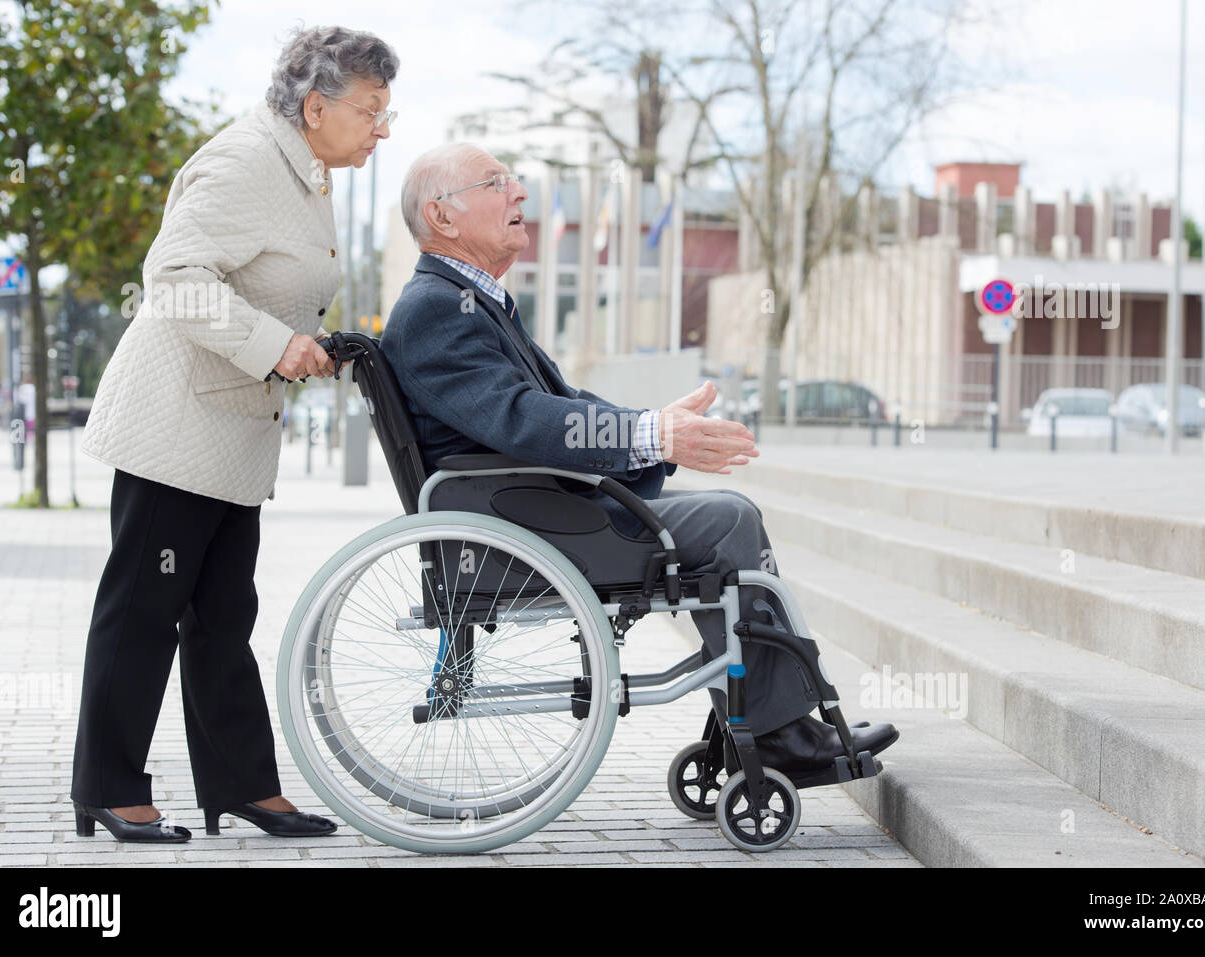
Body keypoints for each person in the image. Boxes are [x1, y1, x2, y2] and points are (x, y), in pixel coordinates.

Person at [378, 143, 898, 773]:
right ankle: (780, 736)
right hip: (525, 526)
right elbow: (524, 420)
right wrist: (653, 434)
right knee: (731, 521)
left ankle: (764, 725)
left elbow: (558, 405)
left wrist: (657, 427)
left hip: (532, 513)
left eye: (514, 179)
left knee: (726, 518)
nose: (519, 194)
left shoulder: (468, 299)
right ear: (443, 217)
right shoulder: (437, 307)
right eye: (496, 183)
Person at [71, 25, 399, 843]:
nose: (384, 128)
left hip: (232, 432)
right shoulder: (246, 160)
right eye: (372, 110)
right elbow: (173, 278)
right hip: (176, 428)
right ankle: (108, 787)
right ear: (316, 106)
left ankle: (243, 786)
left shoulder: (305, 168)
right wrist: (276, 344)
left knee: (222, 618)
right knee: (142, 610)